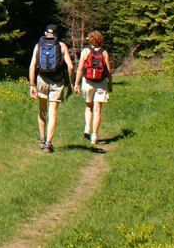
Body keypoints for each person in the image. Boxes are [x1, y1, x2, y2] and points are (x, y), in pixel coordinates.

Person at [28, 24, 74, 153]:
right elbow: (70, 67)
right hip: (57, 82)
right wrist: (71, 83)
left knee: (42, 110)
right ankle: (48, 144)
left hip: (41, 80)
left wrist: (32, 85)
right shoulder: (62, 46)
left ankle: (42, 139)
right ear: (57, 34)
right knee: (52, 112)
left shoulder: (38, 46)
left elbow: (32, 66)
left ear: (45, 33)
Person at [74, 30, 113, 151]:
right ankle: (94, 136)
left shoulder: (86, 51)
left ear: (90, 40)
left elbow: (80, 68)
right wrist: (110, 84)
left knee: (88, 107)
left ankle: (87, 127)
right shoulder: (104, 53)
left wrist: (77, 83)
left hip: (88, 82)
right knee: (98, 110)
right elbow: (109, 71)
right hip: (101, 83)